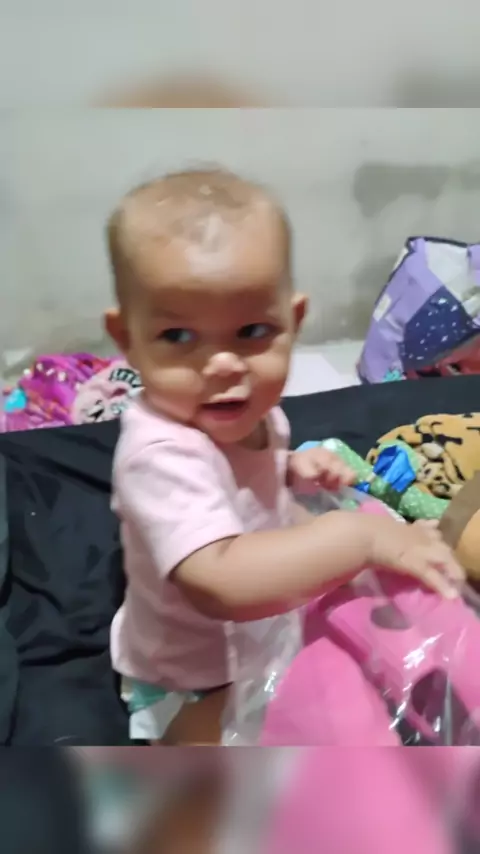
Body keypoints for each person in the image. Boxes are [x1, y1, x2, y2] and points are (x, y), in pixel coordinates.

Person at [104, 167, 464, 744]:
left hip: (267, 626)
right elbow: (219, 579)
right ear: (126, 339)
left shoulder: (253, 413)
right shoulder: (159, 455)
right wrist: (359, 539)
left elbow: (243, 479)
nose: (224, 365)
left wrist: (290, 470)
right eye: (178, 337)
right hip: (193, 671)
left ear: (292, 323)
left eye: (252, 331)